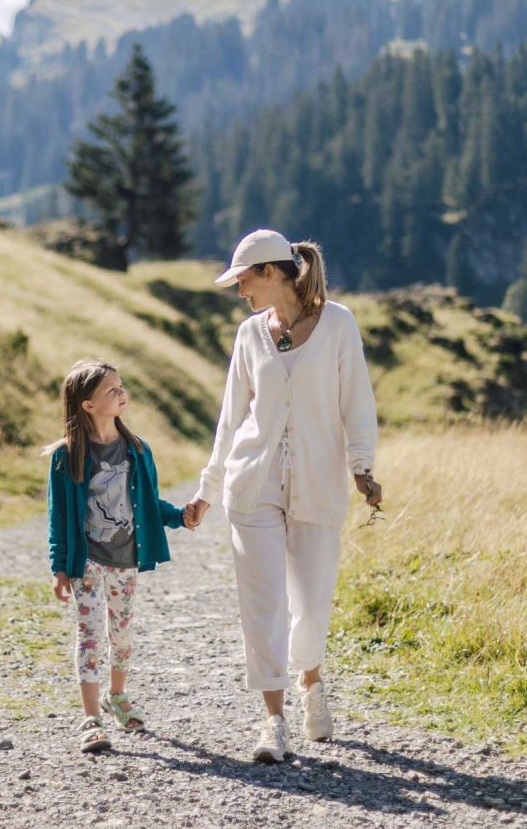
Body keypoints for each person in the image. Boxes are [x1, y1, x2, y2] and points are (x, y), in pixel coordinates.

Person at [188, 229, 381, 762]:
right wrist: (208, 487)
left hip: (319, 482)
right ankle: (273, 722)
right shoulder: (249, 335)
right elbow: (231, 420)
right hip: (253, 486)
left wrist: (362, 467)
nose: (239, 291)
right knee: (263, 603)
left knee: (312, 603)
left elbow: (357, 403)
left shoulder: (339, 324)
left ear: (271, 273)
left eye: (243, 279)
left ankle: (310, 682)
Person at [45, 358, 196, 753]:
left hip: (127, 558)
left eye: (121, 386)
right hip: (87, 561)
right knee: (90, 635)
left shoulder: (137, 450)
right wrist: (59, 566)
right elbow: (58, 516)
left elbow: (148, 503)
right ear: (88, 405)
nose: (121, 392)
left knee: (122, 634)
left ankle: (117, 695)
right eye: (111, 390)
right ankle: (91, 718)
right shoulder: (67, 456)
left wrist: (180, 516)